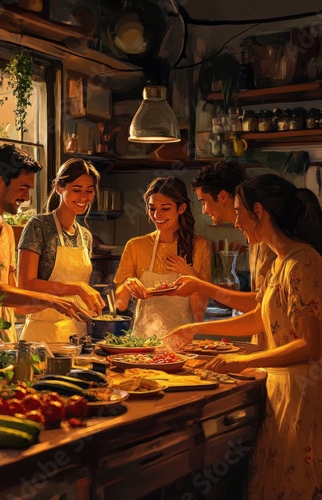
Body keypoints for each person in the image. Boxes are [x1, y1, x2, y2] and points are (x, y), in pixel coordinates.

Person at [168, 174, 322, 499]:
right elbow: (257, 319)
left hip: (303, 397)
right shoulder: (281, 262)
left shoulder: (304, 263)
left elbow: (311, 345)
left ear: (259, 211)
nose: (235, 221)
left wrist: (242, 360)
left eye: (239, 212)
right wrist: (195, 329)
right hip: (280, 393)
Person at [0, 144, 89, 343]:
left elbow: (20, 305)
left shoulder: (6, 232)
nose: (27, 197)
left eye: (29, 189)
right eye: (22, 188)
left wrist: (64, 302)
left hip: (3, 346)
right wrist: (50, 299)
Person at [172, 161, 276, 346]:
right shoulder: (252, 236)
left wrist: (202, 286)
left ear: (222, 197)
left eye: (204, 202)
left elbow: (261, 306)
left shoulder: (265, 240)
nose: (203, 211)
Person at [17, 158, 105, 343]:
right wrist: (77, 288)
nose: (84, 197)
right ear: (59, 187)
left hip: (77, 336)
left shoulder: (85, 236)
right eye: (76, 189)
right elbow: (26, 284)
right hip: (42, 337)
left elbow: (82, 295)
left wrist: (95, 314)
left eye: (89, 191)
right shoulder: (38, 227)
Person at [114, 176, 211, 340]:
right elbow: (120, 305)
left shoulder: (199, 246)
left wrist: (190, 274)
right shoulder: (135, 246)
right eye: (152, 208)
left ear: (181, 208)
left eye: (165, 208)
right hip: (141, 343)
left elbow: (199, 313)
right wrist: (127, 286)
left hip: (180, 343)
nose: (157, 215)